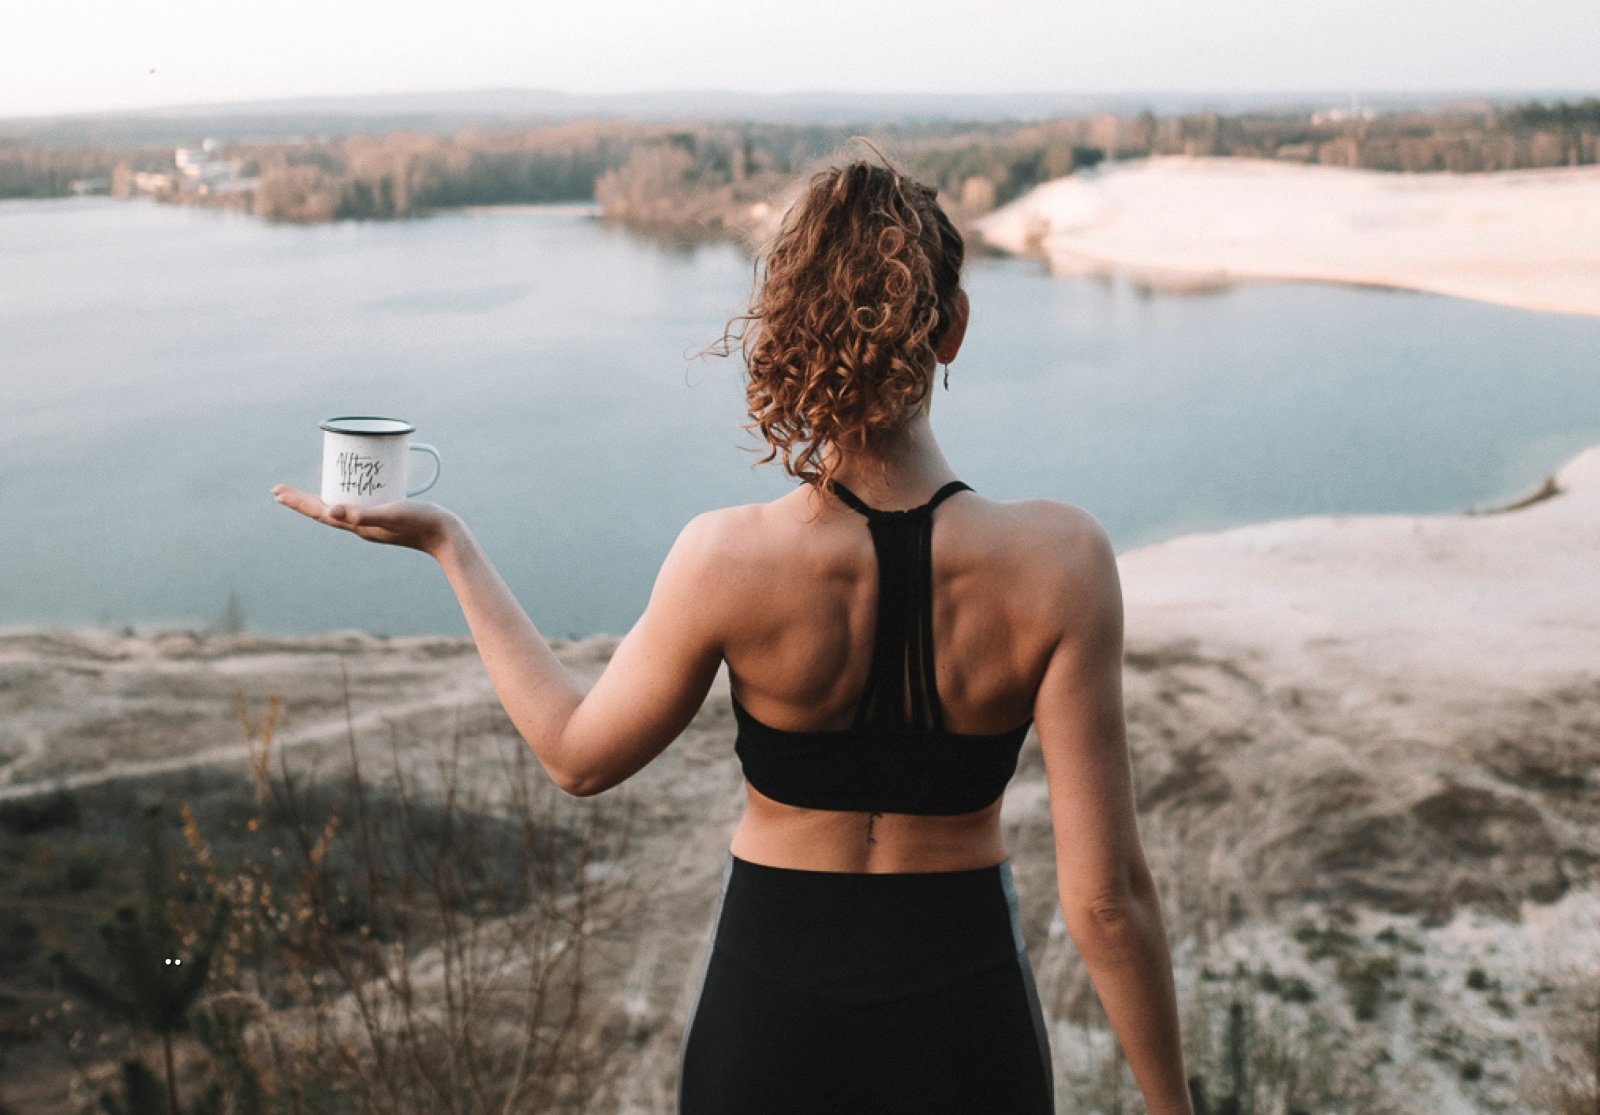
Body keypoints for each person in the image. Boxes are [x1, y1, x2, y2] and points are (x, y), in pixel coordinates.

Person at [272, 150, 1193, 1115]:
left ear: (790, 334)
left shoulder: (726, 560)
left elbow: (577, 757)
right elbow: (1104, 901)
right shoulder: (1063, 562)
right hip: (965, 1022)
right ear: (952, 328)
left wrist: (451, 546)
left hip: (771, 1020)